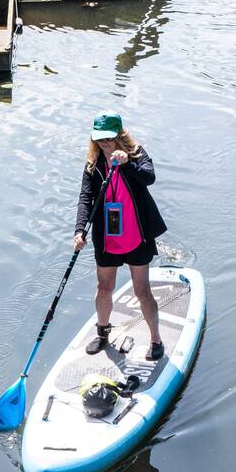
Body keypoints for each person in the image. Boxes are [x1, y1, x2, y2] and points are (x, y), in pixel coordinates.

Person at [74, 113, 167, 361]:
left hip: (137, 236)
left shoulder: (137, 154)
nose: (105, 143)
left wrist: (128, 164)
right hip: (107, 238)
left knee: (142, 291)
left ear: (119, 134)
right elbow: (85, 198)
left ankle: (156, 339)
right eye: (100, 139)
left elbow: (150, 178)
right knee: (104, 288)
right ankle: (103, 334)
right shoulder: (93, 165)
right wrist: (79, 229)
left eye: (109, 138)